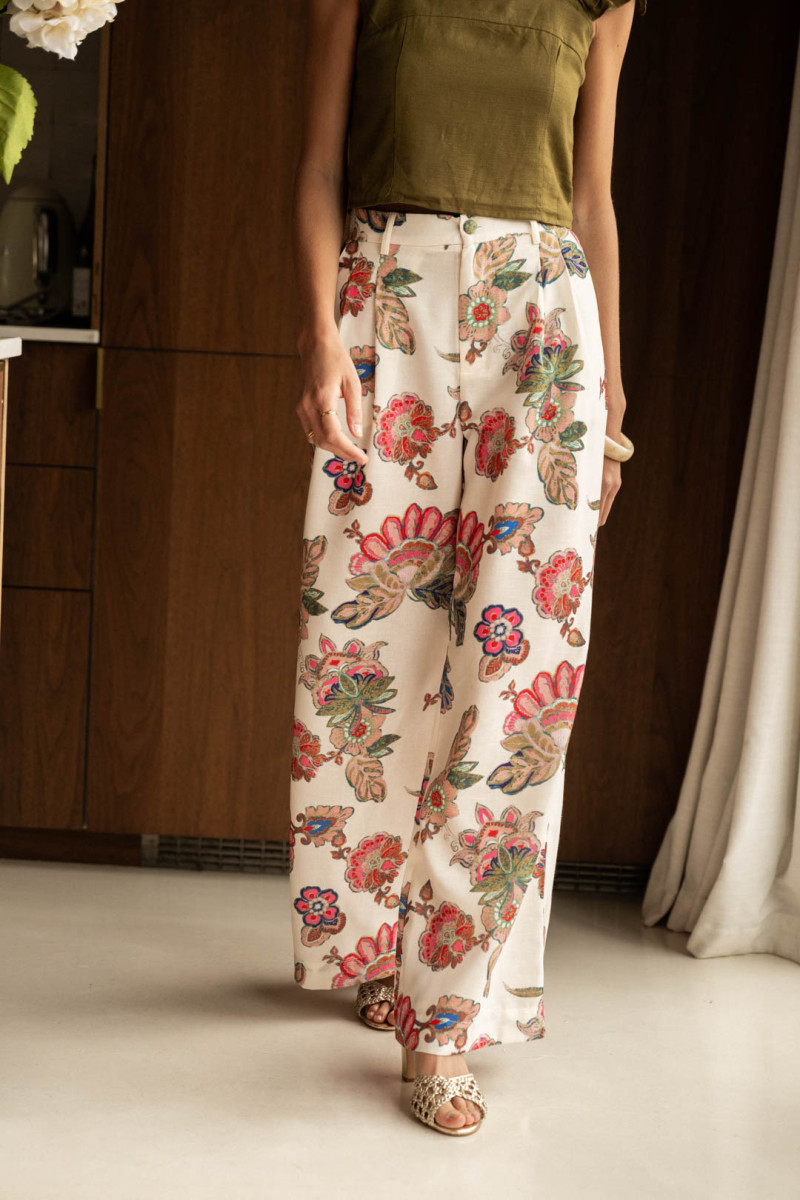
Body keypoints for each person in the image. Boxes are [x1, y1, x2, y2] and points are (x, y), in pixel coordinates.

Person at [289, 0, 643, 1137]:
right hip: (386, 306)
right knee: (366, 649)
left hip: (545, 324)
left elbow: (591, 200)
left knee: (516, 675)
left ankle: (444, 1015)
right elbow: (319, 168)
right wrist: (321, 338)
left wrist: (611, 403)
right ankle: (375, 948)